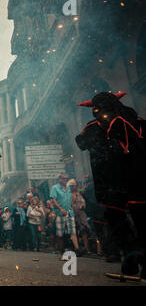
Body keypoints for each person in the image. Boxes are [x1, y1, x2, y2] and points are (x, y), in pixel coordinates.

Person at [76, 91, 145, 276]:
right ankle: (132, 252)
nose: (99, 113)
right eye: (96, 110)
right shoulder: (95, 127)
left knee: (131, 216)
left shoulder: (128, 120)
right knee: (121, 216)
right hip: (120, 181)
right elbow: (81, 143)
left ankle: (136, 253)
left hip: (125, 179)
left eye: (101, 109)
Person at [50, 173, 81, 255]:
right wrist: (60, 209)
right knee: (60, 233)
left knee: (73, 231)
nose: (65, 180)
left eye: (66, 179)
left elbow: (71, 198)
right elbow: (53, 199)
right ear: (59, 179)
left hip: (69, 212)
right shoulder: (55, 187)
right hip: (60, 213)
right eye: (64, 179)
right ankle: (62, 250)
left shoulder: (68, 188)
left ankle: (77, 249)